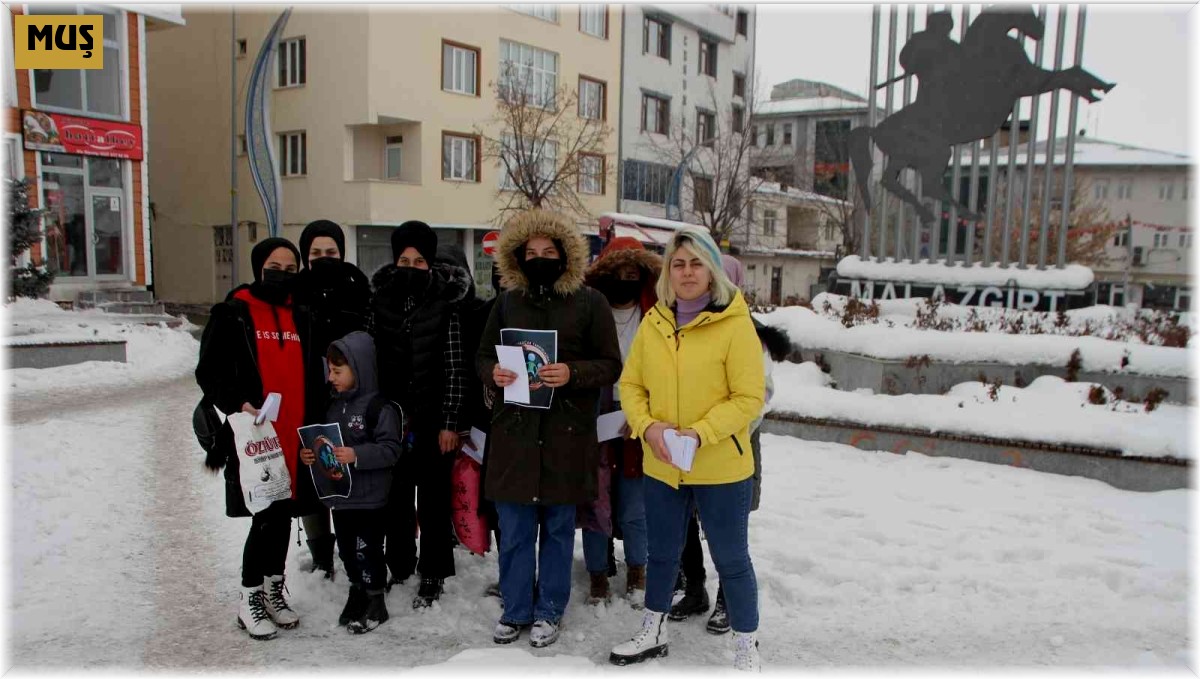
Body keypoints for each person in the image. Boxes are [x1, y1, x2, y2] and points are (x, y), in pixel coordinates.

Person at [609, 226, 765, 671]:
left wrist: (700, 433)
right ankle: (653, 630)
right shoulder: (655, 323)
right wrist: (648, 427)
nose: (687, 271)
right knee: (662, 554)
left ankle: (746, 644)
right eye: (678, 264)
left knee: (731, 558)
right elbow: (632, 384)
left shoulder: (735, 325)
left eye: (697, 262)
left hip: (720, 466)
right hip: (663, 464)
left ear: (712, 270)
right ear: (668, 273)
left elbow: (749, 398)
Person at [476, 209, 622, 648]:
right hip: (515, 435)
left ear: (565, 255)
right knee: (516, 528)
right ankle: (516, 609)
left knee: (558, 531)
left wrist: (571, 374)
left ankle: (549, 611)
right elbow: (482, 356)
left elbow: (610, 364)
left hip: (566, 436)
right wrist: (494, 374)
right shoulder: (506, 301)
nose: (540, 258)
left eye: (549, 251)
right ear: (518, 257)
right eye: (531, 252)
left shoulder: (589, 301)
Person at [669, 254, 792, 634]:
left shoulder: (745, 331)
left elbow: (759, 394)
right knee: (686, 518)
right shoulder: (681, 322)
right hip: (685, 441)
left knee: (727, 527)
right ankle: (695, 588)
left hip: (732, 445)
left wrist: (721, 431)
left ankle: (727, 600)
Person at [195, 237, 309, 641]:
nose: (283, 275)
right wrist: (239, 404)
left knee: (283, 513)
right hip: (256, 435)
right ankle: (249, 597)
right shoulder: (234, 312)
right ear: (259, 268)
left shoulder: (301, 313)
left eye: (291, 268)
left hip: (294, 434)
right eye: (274, 267)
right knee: (265, 516)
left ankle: (274, 588)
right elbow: (209, 372)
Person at [371, 220, 474, 608]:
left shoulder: (445, 304)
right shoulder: (380, 301)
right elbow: (370, 359)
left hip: (433, 419)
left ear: (429, 264)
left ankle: (432, 572)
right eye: (403, 259)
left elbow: (454, 366)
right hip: (391, 419)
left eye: (418, 261)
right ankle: (398, 563)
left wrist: (450, 422)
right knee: (395, 496)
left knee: (433, 500)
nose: (410, 267)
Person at [299, 332, 403, 634]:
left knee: (367, 549)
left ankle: (375, 598)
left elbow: (391, 449)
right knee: (346, 549)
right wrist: (311, 454)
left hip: (370, 498)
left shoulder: (380, 408)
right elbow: (324, 444)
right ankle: (357, 590)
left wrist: (357, 454)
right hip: (341, 497)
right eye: (329, 371)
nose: (331, 377)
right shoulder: (334, 406)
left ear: (359, 369)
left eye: (337, 371)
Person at [577, 237, 661, 608]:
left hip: (640, 421)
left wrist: (644, 413)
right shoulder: (588, 312)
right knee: (594, 501)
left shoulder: (656, 316)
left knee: (634, 506)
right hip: (594, 420)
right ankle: (597, 575)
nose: (625, 279)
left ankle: (638, 572)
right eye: (617, 272)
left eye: (632, 273)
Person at [293, 219, 373, 580]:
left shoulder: (359, 288)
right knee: (314, 472)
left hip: (352, 395)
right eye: (316, 254)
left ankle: (356, 548)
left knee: (349, 469)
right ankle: (322, 555)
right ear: (305, 257)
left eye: (331, 253)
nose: (324, 259)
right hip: (309, 393)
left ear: (342, 253)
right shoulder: (294, 293)